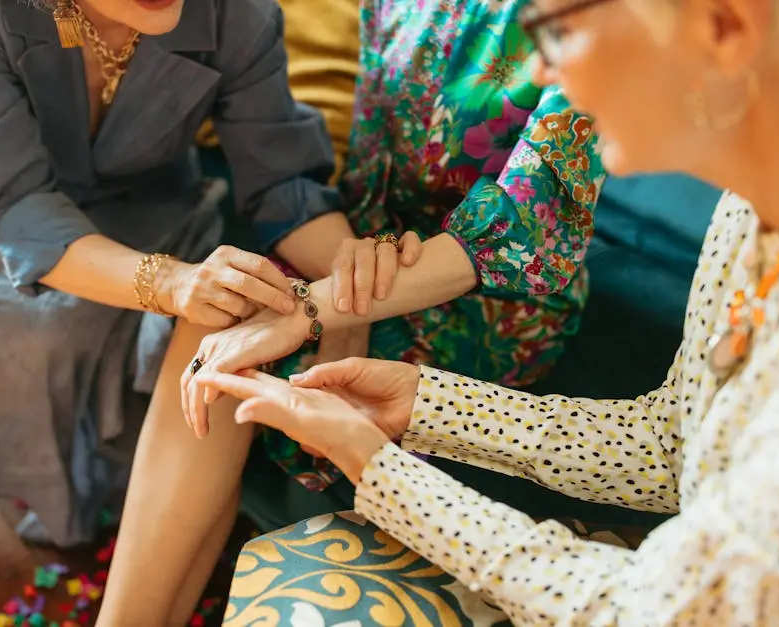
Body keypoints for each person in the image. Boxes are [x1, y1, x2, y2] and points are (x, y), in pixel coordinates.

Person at [198, 0, 779, 623]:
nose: (540, 70)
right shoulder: (747, 213)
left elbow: (648, 610)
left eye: (560, 30)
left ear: (727, 26)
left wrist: (379, 471)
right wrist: (424, 403)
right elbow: (667, 445)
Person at [0, 0, 379, 623]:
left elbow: (283, 182)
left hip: (143, 199)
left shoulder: (237, 12)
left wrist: (350, 278)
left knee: (224, 323)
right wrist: (170, 282)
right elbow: (13, 205)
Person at [102, 0, 605, 621]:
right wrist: (345, 277)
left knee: (242, 349)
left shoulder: (591, 18)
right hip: (359, 246)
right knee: (220, 314)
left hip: (488, 290)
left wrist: (325, 308)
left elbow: (525, 225)